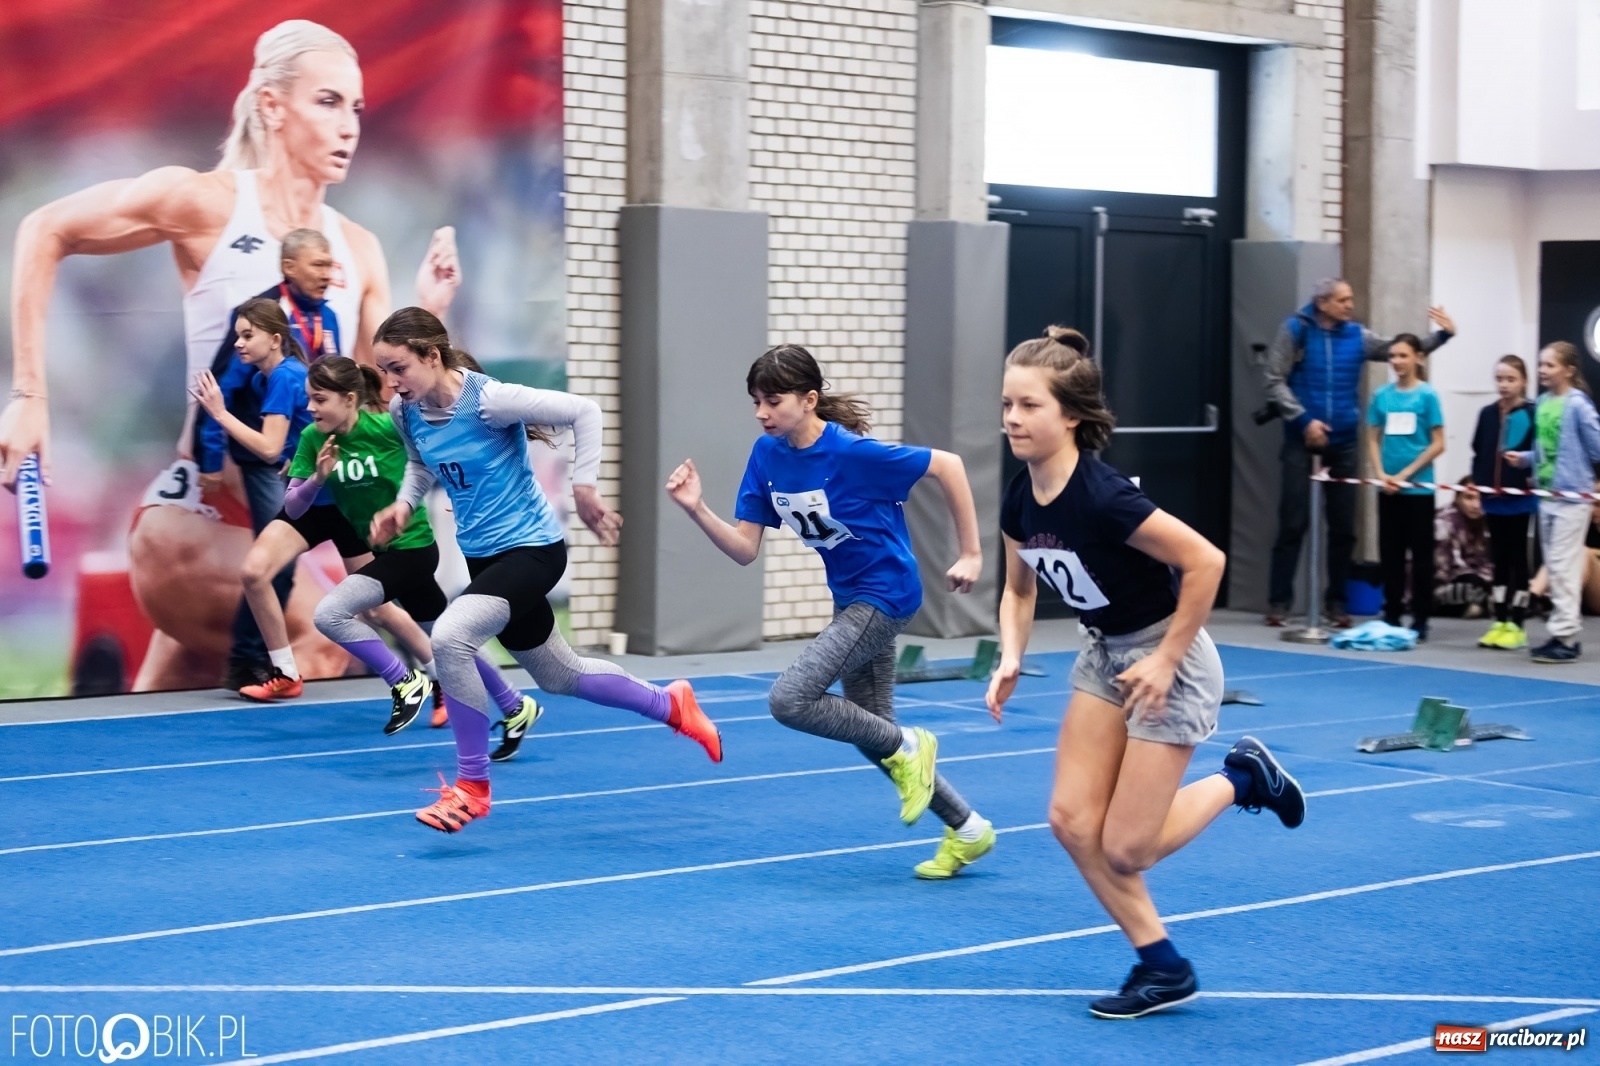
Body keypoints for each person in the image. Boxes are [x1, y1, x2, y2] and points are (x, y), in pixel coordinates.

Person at [0, 19, 461, 691]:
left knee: (187, 696)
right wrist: (29, 398)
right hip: (193, 522)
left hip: (276, 527)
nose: (349, 125)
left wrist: (431, 318)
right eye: (328, 102)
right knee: (323, 636)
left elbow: (372, 404)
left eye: (356, 108)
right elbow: (44, 229)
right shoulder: (208, 204)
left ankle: (113, 711)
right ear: (272, 106)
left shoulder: (359, 248)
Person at [989, 326, 1305, 1020]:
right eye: (1007, 403)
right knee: (1072, 822)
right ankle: (1162, 967)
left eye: (1029, 406)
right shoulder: (1019, 498)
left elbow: (1206, 562)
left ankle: (1243, 779)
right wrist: (1010, 654)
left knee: (1128, 848)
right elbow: (1018, 589)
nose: (1012, 417)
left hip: (1172, 659)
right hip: (1105, 653)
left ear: (1069, 415)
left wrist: (1164, 659)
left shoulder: (1103, 497)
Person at [366, 308, 721, 833]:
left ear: (431, 356)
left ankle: (471, 788)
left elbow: (585, 410)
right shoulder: (406, 412)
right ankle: (671, 704)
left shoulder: (488, 401)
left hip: (532, 550)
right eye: (383, 372)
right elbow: (421, 465)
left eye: (398, 368)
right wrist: (402, 505)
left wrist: (584, 487)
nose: (391, 383)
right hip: (485, 555)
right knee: (560, 677)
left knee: (451, 636)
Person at [664, 344, 996, 880]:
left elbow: (950, 466)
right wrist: (696, 508)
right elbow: (746, 549)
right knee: (874, 732)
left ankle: (915, 745)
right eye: (755, 402)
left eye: (772, 401)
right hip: (850, 598)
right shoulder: (767, 455)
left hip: (887, 594)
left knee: (790, 699)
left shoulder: (853, 454)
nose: (761, 413)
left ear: (809, 399)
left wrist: (973, 552)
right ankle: (969, 828)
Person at [266, 356, 539, 744]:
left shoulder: (387, 427)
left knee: (331, 613)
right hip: (383, 553)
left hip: (413, 548)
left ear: (349, 399)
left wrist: (464, 494)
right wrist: (316, 479)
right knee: (447, 641)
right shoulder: (314, 439)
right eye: (309, 399)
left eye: (320, 399)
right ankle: (515, 704)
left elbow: (436, 455)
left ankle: (404, 680)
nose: (311, 408)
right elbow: (293, 506)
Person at [196, 228, 344, 689]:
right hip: (267, 460)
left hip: (307, 460)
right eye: (318, 264)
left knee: (298, 564)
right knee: (273, 562)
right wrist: (210, 459)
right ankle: (249, 661)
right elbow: (223, 387)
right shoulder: (258, 322)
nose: (327, 274)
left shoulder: (329, 319)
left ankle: (423, 663)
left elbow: (335, 388)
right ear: (288, 267)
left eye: (329, 264)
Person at [1261, 279, 1454, 627]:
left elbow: (1399, 349)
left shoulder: (1358, 336)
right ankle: (1279, 603)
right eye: (1343, 299)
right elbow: (1274, 380)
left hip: (1345, 442)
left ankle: (1337, 603)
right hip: (1300, 439)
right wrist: (1304, 421)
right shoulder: (1295, 330)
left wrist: (1442, 337)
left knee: (1343, 528)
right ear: (1322, 303)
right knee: (1293, 521)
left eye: (1351, 298)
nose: (1350, 305)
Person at [1506, 342, 1600, 663]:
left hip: (1573, 497)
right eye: (1541, 365)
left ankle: (1567, 637)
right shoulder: (1543, 403)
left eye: (1550, 365)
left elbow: (1596, 447)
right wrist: (1524, 460)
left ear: (1569, 370)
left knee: (1562, 566)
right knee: (1558, 566)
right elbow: (1546, 451)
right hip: (1546, 497)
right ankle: (1562, 633)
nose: (1543, 371)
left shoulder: (1578, 405)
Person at [1365, 333, 1446, 640]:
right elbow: (1373, 436)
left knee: (1422, 556)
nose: (1397, 362)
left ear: (1417, 358)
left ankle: (1422, 615)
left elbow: (1438, 443)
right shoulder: (1381, 396)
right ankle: (1392, 611)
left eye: (1403, 356)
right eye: (1393, 356)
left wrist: (1407, 475)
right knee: (1391, 553)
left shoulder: (1428, 396)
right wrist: (1382, 472)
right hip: (1388, 489)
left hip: (1419, 490)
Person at [1470, 355, 1538, 649]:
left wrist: (1527, 477)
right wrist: (1479, 480)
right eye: (1500, 379)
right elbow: (1478, 448)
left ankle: (1518, 623)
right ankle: (1499, 620)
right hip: (1492, 498)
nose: (1504, 385)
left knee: (1517, 559)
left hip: (1520, 499)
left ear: (1523, 381)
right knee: (1498, 559)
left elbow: (1540, 453)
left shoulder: (1533, 413)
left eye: (1511, 379)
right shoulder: (1487, 414)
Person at [1433, 485, 1493, 619]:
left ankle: (1482, 604)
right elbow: (1448, 568)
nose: (1476, 505)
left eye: (1480, 499)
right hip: (1441, 580)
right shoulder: (1444, 521)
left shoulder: (1485, 519)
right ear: (1457, 498)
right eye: (1469, 498)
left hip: (1473, 574)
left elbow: (1486, 561)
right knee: (1473, 583)